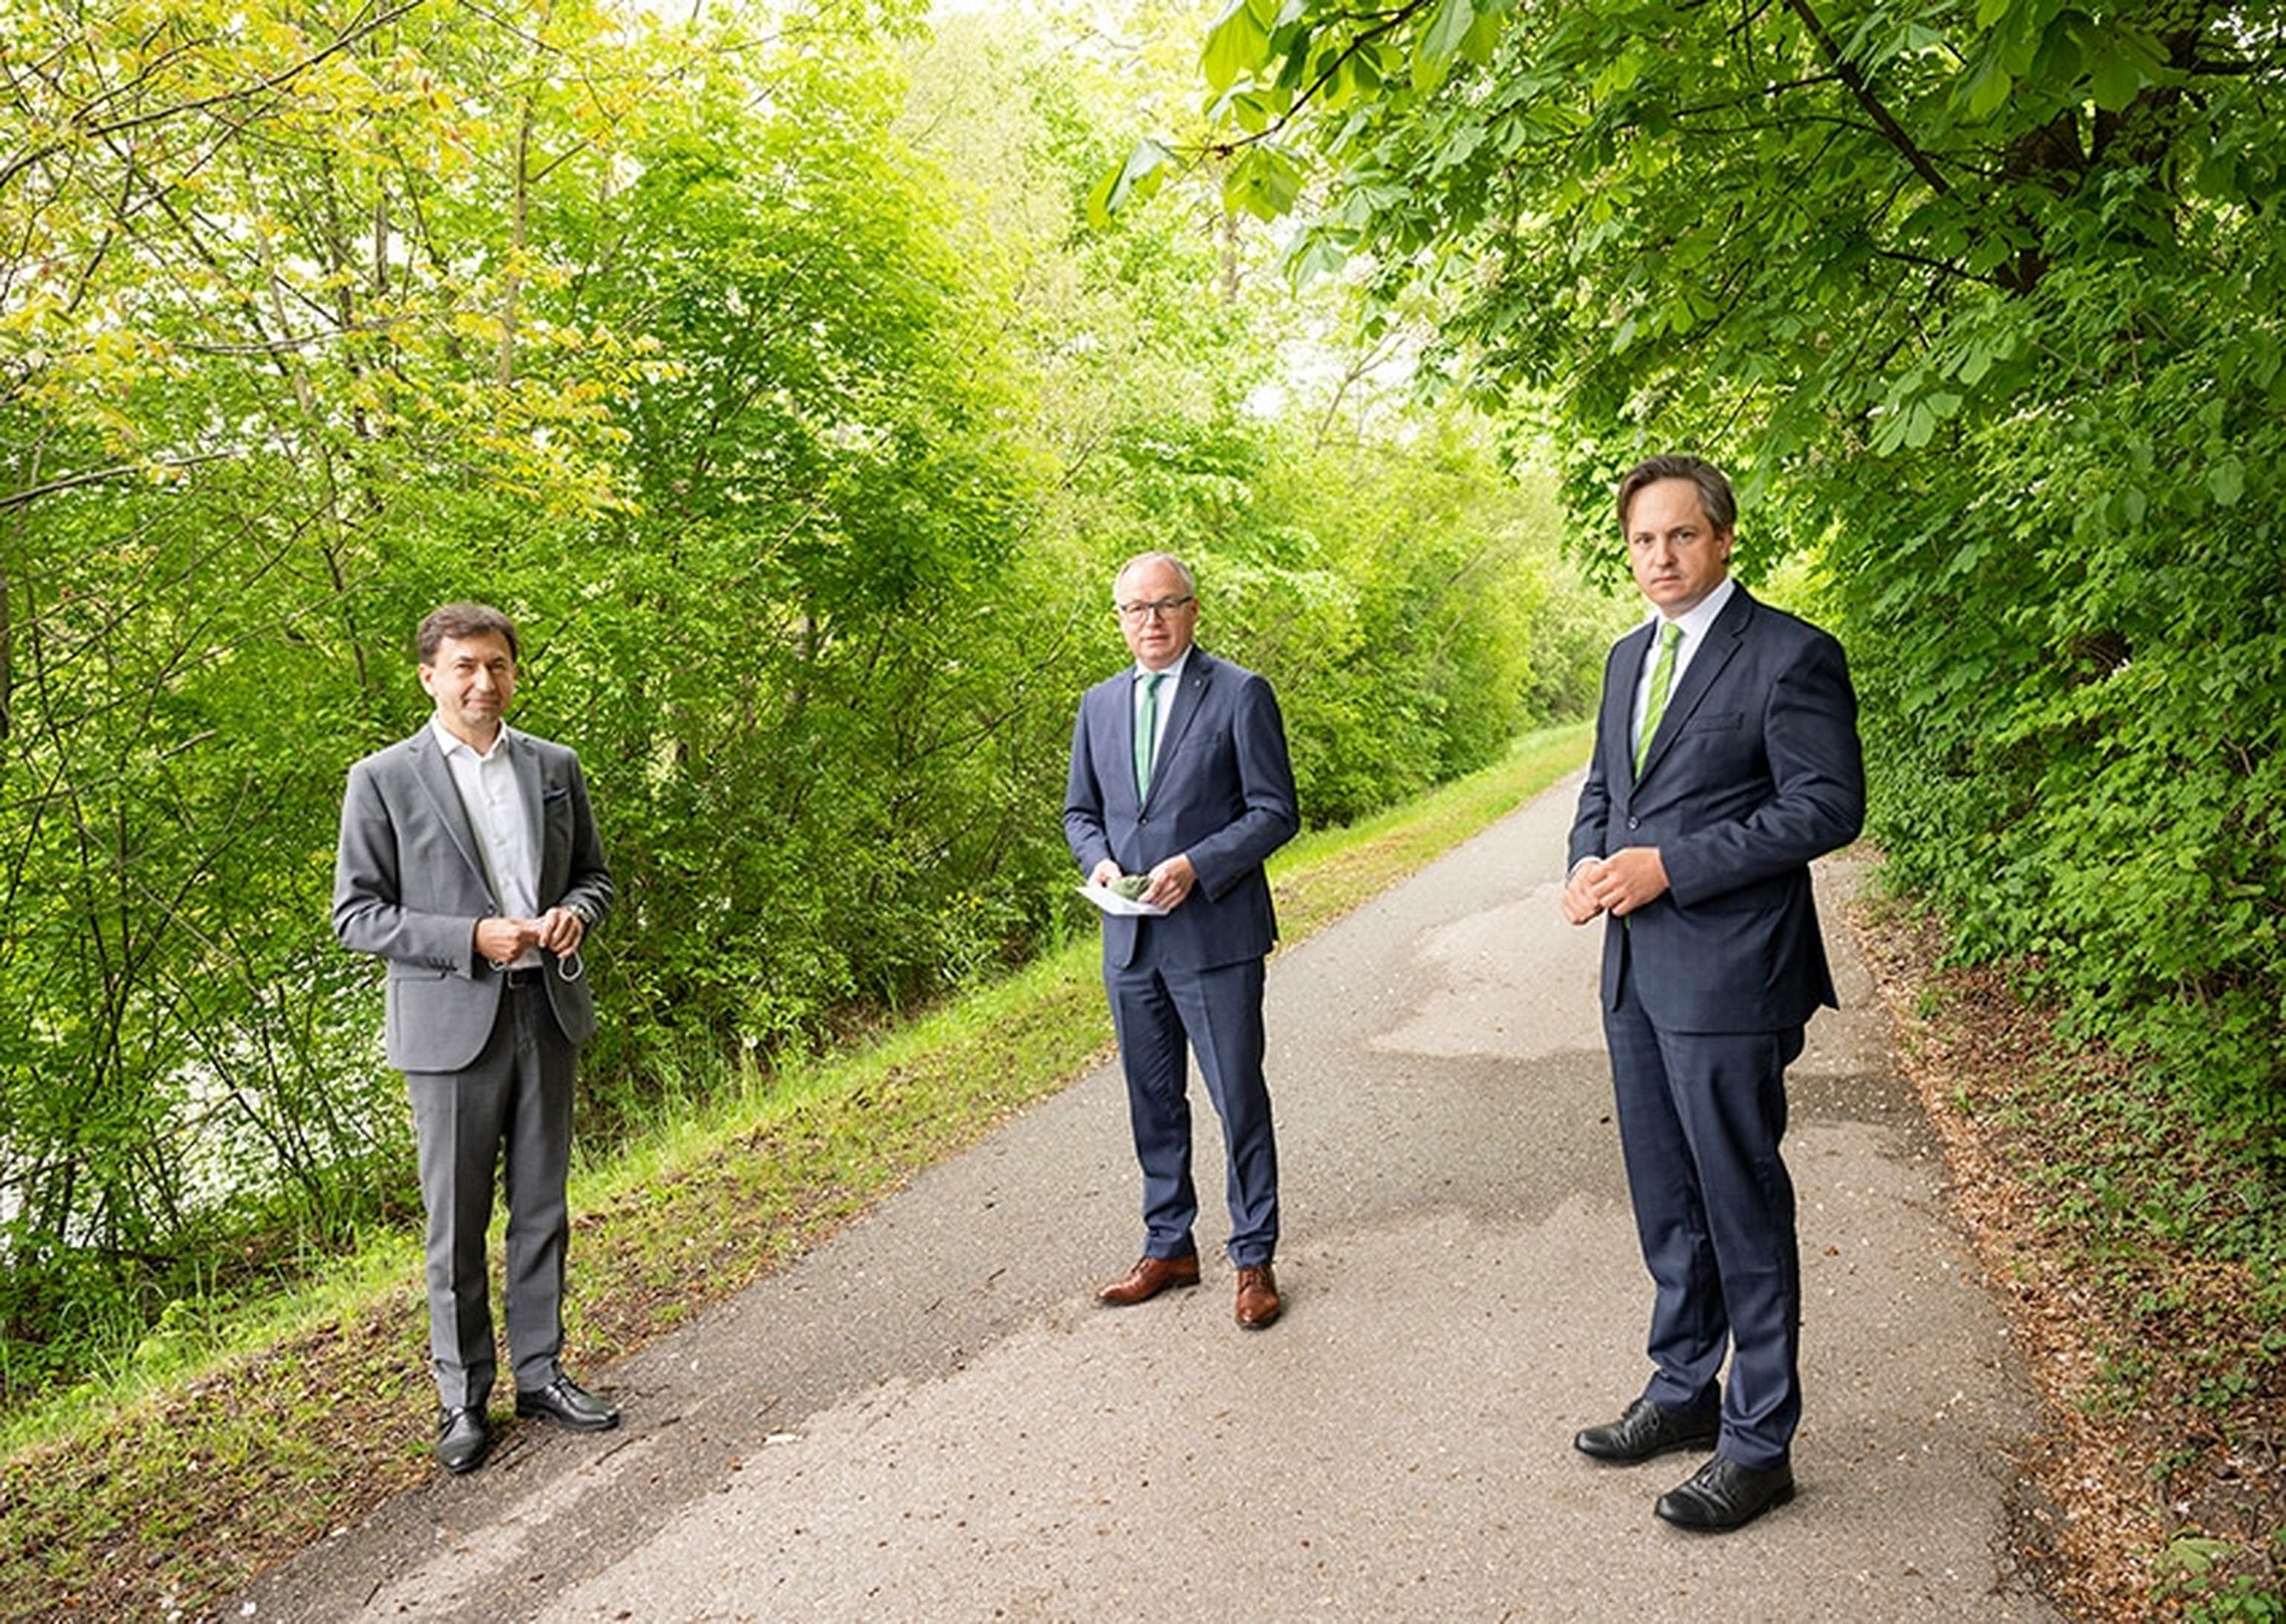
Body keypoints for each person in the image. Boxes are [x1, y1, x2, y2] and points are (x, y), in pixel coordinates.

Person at [1560, 456, 1865, 1532]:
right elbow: (1606, 788)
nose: (1660, 559)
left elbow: (1828, 805)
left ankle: (1759, 1439)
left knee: (1738, 1199)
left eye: (1681, 537)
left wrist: (1669, 865)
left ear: (1724, 538)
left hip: (1735, 972)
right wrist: (1590, 864)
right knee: (1665, 1197)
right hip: (1637, 970)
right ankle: (1684, 1388)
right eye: (1643, 541)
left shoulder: (1790, 654)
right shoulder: (1625, 657)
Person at [333, 603, 619, 1474]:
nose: (482, 683)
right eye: (463, 667)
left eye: (495, 665)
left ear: (513, 672)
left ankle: (541, 1372)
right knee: (454, 1228)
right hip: (451, 1025)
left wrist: (575, 913)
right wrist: (469, 938)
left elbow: (597, 876)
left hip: (548, 1010)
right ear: (429, 675)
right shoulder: (383, 778)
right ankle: (463, 1397)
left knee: (542, 1208)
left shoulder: (554, 766)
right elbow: (357, 914)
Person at [1064, 552, 1300, 1329]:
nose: (1152, 621)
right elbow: (1081, 813)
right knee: (1152, 1099)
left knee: (1237, 1098)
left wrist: (1198, 866)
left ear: (1194, 609)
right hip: (1129, 941)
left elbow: (1274, 811)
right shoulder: (1097, 704)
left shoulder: (1240, 693)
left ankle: (1253, 1255)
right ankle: (1170, 1244)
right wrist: (1097, 860)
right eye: (1136, 608)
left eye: (1166, 605)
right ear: (1120, 619)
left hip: (1216, 933)